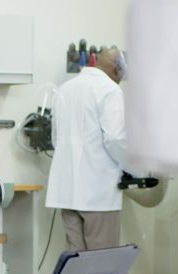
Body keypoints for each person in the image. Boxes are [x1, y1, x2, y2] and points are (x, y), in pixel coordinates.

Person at [45, 45, 130, 251]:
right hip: (98, 195)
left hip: (67, 192)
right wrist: (133, 167)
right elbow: (115, 139)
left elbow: (56, 139)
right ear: (118, 70)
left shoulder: (65, 88)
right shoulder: (110, 90)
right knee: (101, 264)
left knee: (75, 263)